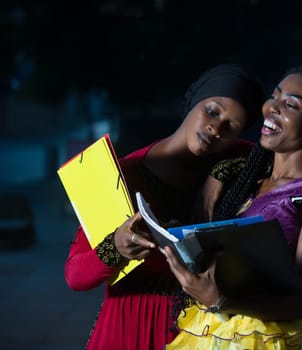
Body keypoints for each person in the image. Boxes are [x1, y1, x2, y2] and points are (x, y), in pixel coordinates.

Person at [64, 63, 265, 350]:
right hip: (125, 329)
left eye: (231, 126)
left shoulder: (235, 159)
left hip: (196, 333)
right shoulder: (121, 174)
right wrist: (116, 247)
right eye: (212, 110)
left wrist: (219, 172)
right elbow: (75, 276)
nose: (215, 127)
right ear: (194, 102)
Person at [161, 64, 302, 349]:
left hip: (260, 339)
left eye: (291, 105)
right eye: (275, 96)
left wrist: (221, 300)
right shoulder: (250, 178)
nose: (272, 108)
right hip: (209, 331)